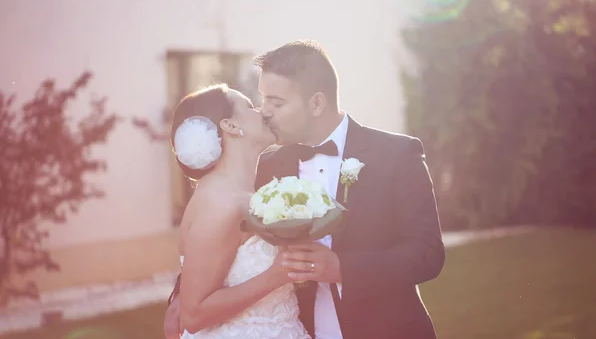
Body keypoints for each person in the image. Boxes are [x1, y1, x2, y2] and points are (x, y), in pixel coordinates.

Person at [165, 40, 445, 339]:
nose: (265, 112)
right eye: (262, 99)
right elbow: (216, 248)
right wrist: (180, 296)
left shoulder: (396, 155)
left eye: (277, 102)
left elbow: (426, 254)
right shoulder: (263, 168)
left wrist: (340, 268)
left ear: (316, 103)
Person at [168, 83, 311, 338]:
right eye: (251, 106)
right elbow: (193, 314)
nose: (263, 112)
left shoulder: (245, 196)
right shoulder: (220, 203)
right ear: (230, 126)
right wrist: (277, 275)